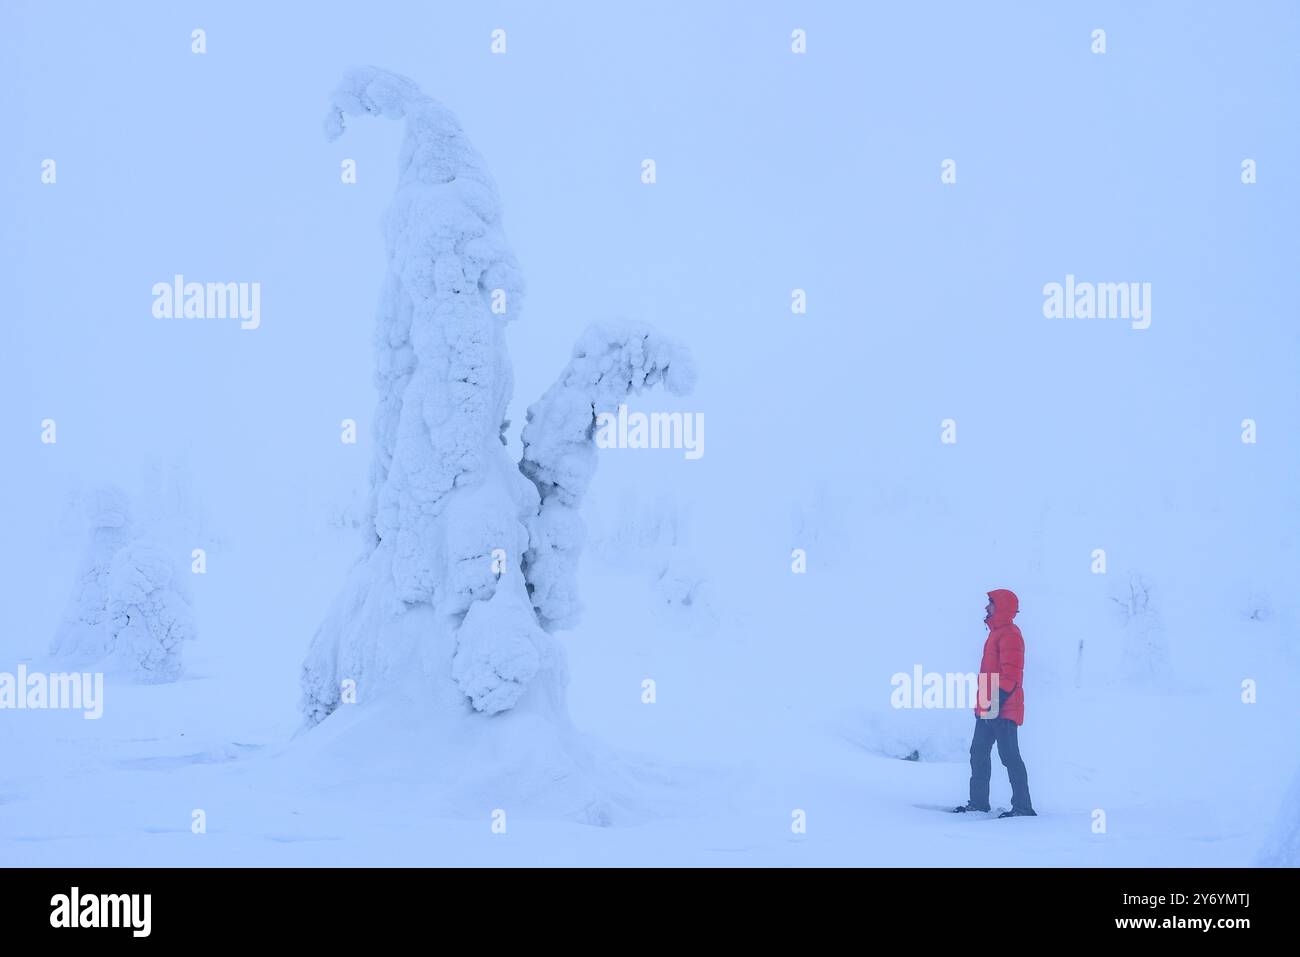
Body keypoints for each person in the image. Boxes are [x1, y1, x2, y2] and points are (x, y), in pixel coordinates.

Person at [953, 589, 1036, 818]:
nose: (986, 607)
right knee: (977, 753)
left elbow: (1012, 675)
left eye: (990, 603)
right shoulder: (995, 634)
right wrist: (982, 706)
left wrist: (994, 702)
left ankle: (1023, 808)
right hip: (989, 704)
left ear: (1002, 608)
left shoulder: (1010, 634)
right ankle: (978, 804)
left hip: (1003, 706)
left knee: (1009, 756)